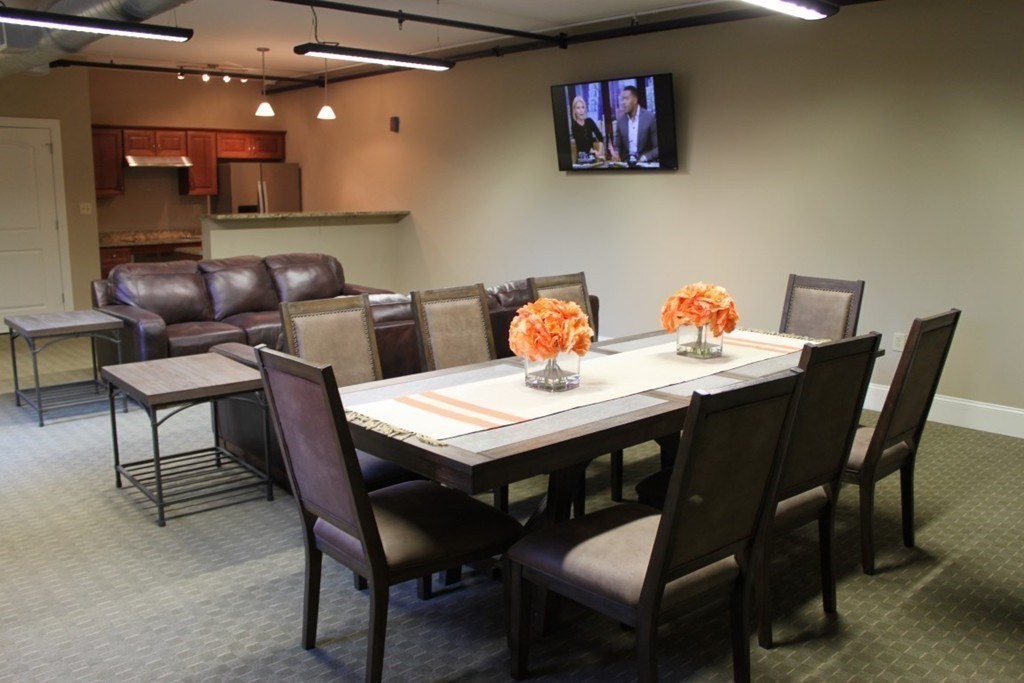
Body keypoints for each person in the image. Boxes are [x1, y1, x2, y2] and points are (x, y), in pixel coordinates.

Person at [611, 85, 658, 164]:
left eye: (626, 98)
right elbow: (618, 146)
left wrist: (643, 159)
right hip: (626, 165)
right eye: (622, 99)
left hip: (645, 164)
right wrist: (616, 153)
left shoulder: (650, 118)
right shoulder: (620, 121)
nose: (623, 102)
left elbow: (657, 148)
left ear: (635, 100)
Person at [569, 96, 605, 161]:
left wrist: (599, 152)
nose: (581, 110)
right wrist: (594, 152)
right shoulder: (574, 126)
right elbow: (582, 146)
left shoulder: (589, 121)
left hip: (592, 157)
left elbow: (600, 138)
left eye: (583, 107)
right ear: (574, 110)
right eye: (578, 108)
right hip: (582, 158)